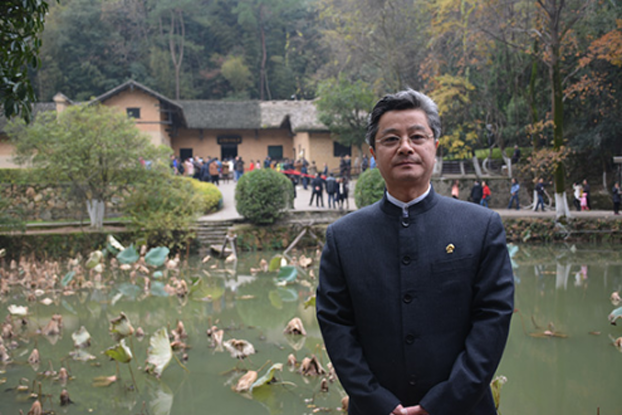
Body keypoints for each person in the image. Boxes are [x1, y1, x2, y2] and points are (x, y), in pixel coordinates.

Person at [316, 89, 514, 415]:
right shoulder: (344, 237)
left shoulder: (480, 227)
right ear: (373, 153)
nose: (405, 147)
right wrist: (378, 402)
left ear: (435, 146)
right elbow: (336, 325)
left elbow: (492, 320)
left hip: (464, 408)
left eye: (417, 137)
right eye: (391, 139)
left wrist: (443, 402)